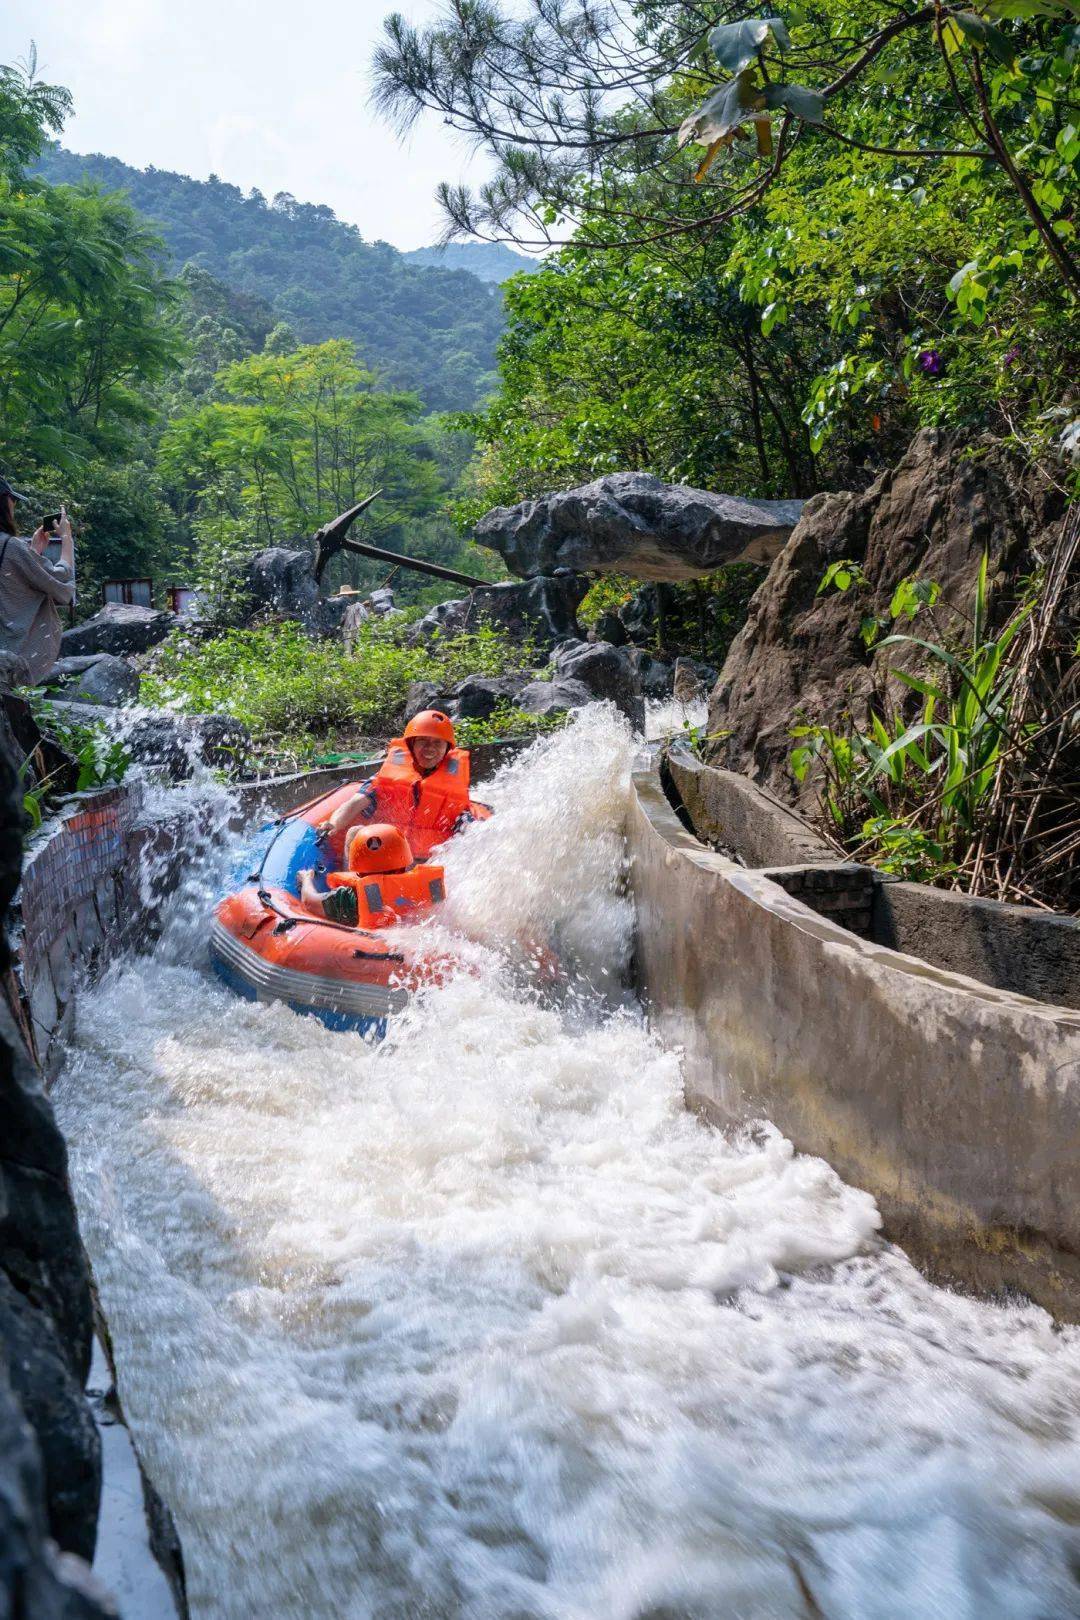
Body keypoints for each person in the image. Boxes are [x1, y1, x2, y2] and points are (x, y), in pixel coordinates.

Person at [317, 710, 491, 862]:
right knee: (356, 832)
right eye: (423, 741)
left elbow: (471, 831)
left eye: (437, 743)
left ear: (447, 749)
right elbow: (355, 803)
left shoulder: (455, 793)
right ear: (411, 744)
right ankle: (352, 888)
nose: (429, 749)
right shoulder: (385, 780)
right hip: (386, 856)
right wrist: (333, 824)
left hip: (429, 866)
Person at [298, 822, 445, 929]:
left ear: (356, 865)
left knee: (354, 832)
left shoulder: (351, 896)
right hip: (417, 937)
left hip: (369, 947)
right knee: (356, 831)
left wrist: (306, 879)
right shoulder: (429, 886)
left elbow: (310, 903)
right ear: (405, 860)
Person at [0, 477, 75, 683]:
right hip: (9, 659)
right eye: (12, 500)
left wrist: (33, 552)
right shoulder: (11, 547)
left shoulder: (13, 549)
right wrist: (66, 538)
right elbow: (60, 578)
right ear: (4, 502)